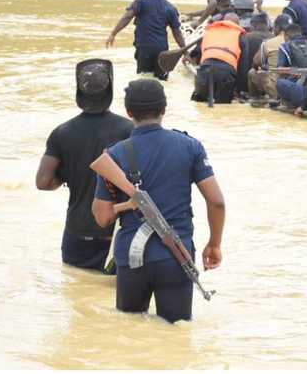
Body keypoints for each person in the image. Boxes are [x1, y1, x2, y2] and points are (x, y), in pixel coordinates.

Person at [91, 79, 225, 323]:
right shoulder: (190, 146)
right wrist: (214, 244)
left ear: (128, 112)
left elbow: (102, 218)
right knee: (175, 333)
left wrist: (124, 205)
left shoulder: (116, 154)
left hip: (131, 260)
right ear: (164, 109)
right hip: (175, 258)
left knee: (127, 332)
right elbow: (216, 202)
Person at [36, 59, 134, 272]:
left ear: (79, 93)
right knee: (114, 290)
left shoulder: (62, 133)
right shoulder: (129, 131)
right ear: (110, 90)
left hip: (77, 231)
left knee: (75, 287)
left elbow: (43, 182)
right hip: (117, 231)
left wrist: (67, 175)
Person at [105, 0, 186, 81]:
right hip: (161, 50)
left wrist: (113, 34)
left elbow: (127, 17)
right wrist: (186, 52)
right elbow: (177, 33)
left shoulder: (141, 1)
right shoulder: (170, 8)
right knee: (161, 81)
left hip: (144, 49)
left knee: (143, 79)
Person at [191, 13, 246, 104]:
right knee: (222, 107)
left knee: (199, 104)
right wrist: (240, 90)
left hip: (204, 72)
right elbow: (243, 67)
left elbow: (196, 53)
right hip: (226, 75)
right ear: (237, 24)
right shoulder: (240, 36)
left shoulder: (209, 31)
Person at [248, 15, 293, 99]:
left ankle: (256, 99)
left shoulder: (268, 43)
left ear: (277, 28)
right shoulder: (297, 43)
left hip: (275, 88)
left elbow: (256, 62)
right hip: (293, 88)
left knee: (252, 72)